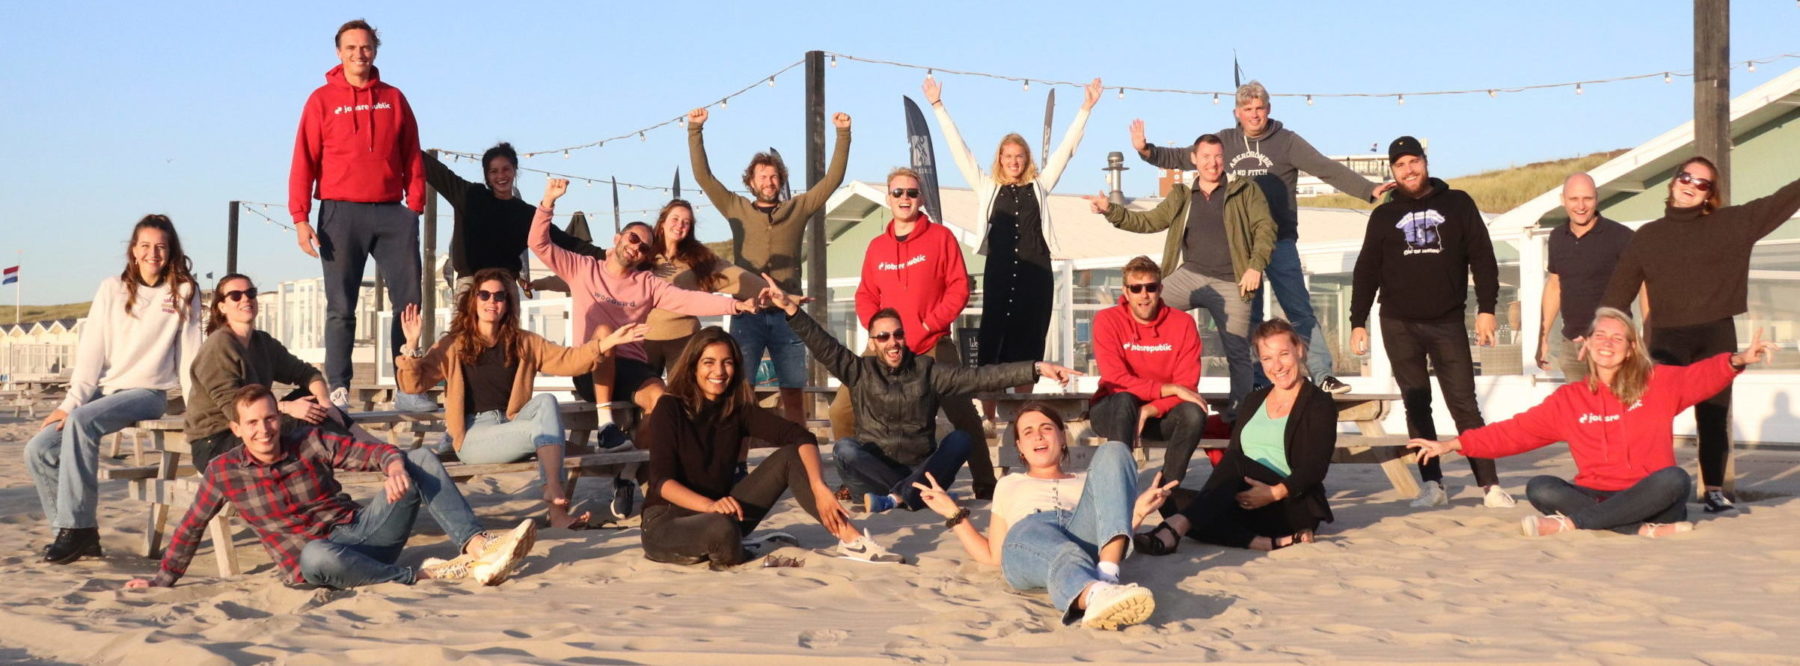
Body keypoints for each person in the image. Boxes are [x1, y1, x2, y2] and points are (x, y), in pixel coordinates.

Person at [125, 385, 538, 589]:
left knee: (423, 458)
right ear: (237, 429)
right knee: (315, 550)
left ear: (278, 416)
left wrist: (393, 464)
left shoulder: (307, 440)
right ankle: (418, 578)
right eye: (252, 423)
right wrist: (163, 579)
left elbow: (370, 452)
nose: (264, 429)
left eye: (269, 418)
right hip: (316, 564)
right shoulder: (223, 471)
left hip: (363, 535)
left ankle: (478, 546)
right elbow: (192, 525)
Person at [1409, 308, 1777, 537]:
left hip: (1653, 495)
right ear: (1586, 345)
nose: (1608, 342)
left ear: (1631, 348)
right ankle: (1640, 530)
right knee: (1540, 486)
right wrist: (1453, 445)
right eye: (1601, 334)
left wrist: (1737, 359)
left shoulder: (1657, 383)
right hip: (1596, 493)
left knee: (1675, 479)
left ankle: (1573, 525)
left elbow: (1700, 376)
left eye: (1618, 337)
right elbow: (1515, 432)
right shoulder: (1569, 400)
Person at [1133, 81, 1393, 393]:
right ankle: (1257, 382)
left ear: (1268, 109)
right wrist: (1146, 150)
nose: (1254, 115)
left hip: (1279, 240)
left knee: (1298, 309)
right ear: (1237, 113)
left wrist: (1367, 189)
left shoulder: (1286, 142)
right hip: (1241, 250)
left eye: (1259, 108)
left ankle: (1322, 375)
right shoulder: (1224, 142)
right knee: (1250, 316)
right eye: (1247, 110)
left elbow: (1324, 167)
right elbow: (1181, 156)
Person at [764, 275, 1081, 512]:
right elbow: (822, 344)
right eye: (884, 336)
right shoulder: (859, 370)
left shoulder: (928, 370)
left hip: (921, 470)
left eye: (898, 334)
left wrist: (1036, 367)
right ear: (873, 342)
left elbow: (981, 376)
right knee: (845, 449)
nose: (893, 342)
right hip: (873, 474)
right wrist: (791, 310)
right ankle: (910, 495)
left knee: (961, 439)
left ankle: (898, 497)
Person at [1602, 157, 1800, 513]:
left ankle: (1712, 490)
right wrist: (1601, 331)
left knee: (1713, 414)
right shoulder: (1648, 235)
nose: (1691, 185)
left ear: (1710, 194)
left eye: (1702, 183)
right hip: (1666, 336)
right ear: (1674, 182)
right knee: (1651, 412)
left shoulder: (1731, 224)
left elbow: (1779, 202)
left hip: (1715, 333)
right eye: (1686, 177)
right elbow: (1619, 290)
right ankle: (1646, 486)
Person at [395, 268, 646, 528]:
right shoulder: (453, 344)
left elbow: (568, 360)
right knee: (545, 435)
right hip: (474, 436)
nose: (492, 301)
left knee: (546, 401)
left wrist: (606, 344)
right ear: (473, 301)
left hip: (513, 423)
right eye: (484, 295)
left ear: (507, 303)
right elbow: (414, 385)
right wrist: (411, 346)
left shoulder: (523, 342)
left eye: (499, 296)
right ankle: (557, 503)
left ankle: (554, 497)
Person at [639, 327, 902, 567]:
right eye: (709, 362)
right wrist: (710, 506)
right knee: (721, 530)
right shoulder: (669, 407)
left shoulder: (737, 409)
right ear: (693, 366)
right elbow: (662, 482)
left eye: (727, 362)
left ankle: (852, 540)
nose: (719, 372)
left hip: (722, 512)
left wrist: (819, 487)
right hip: (668, 521)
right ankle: (744, 548)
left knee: (791, 456)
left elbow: (800, 436)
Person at [26, 214, 203, 565]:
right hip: (104, 391)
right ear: (133, 251)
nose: (153, 253)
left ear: (171, 252)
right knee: (39, 449)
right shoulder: (111, 288)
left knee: (81, 423)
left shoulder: (184, 290)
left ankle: (76, 529)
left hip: (147, 394)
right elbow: (92, 350)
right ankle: (79, 534)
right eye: (145, 246)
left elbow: (189, 356)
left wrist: (197, 406)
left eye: (161, 247)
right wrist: (70, 402)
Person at [1348, 136, 1510, 509]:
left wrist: (1487, 308)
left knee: (1464, 404)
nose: (1409, 169)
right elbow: (1366, 270)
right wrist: (1358, 321)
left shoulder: (1458, 203)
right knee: (1416, 403)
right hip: (1398, 322)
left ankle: (1490, 485)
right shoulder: (1383, 215)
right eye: (1400, 164)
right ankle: (1433, 485)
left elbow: (1483, 257)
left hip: (1447, 320)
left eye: (1414, 161)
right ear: (1392, 171)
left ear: (1425, 162)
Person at [912, 405, 1178, 630]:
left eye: (1046, 428)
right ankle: (1096, 591)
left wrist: (1139, 512)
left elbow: (1108, 531)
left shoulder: (1089, 481)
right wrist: (953, 514)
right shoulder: (1009, 483)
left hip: (1082, 537)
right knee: (1042, 536)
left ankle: (1104, 580)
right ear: (1020, 447)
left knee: (1116, 450)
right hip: (1029, 544)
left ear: (1062, 437)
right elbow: (993, 556)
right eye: (1028, 432)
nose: (1038, 436)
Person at [922, 76, 1101, 403]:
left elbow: (1066, 150)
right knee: (992, 345)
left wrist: (1085, 109)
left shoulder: (1040, 185)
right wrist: (938, 106)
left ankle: (1023, 413)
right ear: (1000, 159)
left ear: (1026, 159)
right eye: (1008, 156)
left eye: (1019, 156)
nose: (1014, 162)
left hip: (1036, 277)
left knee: (1028, 347)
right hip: (1001, 274)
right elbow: (960, 151)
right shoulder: (987, 187)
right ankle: (989, 419)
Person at [287, 19, 432, 412]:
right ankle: (338, 387)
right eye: (351, 48)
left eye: (366, 47)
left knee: (410, 303)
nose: (359, 54)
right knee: (341, 305)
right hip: (339, 212)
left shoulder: (394, 98)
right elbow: (304, 158)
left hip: (391, 213)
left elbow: (412, 153)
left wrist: (413, 207)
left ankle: (407, 385)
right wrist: (300, 217)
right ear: (338, 52)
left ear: (375, 50)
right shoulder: (321, 100)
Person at [528, 178, 757, 424]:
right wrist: (548, 201)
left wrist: (735, 305)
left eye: (644, 248)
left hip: (633, 369)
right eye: (633, 239)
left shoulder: (647, 283)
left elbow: (688, 300)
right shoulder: (583, 268)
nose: (636, 248)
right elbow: (538, 243)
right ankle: (606, 425)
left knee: (663, 402)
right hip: (590, 368)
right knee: (605, 332)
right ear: (618, 238)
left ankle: (646, 455)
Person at [1087, 134, 1275, 420]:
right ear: (1194, 160)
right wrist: (1110, 210)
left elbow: (1265, 228)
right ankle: (1129, 392)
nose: (1213, 163)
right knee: (1141, 306)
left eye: (1218, 157)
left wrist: (1255, 266)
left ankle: (1238, 417)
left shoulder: (1244, 190)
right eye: (1206, 157)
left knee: (1238, 351)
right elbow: (1148, 221)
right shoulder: (1182, 195)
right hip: (1189, 274)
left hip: (1232, 280)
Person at [835, 168, 995, 498]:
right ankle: (853, 481)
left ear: (920, 198)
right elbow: (865, 293)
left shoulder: (941, 238)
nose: (904, 198)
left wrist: (927, 325)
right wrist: (875, 330)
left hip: (932, 342)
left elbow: (958, 288)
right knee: (840, 409)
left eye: (911, 192)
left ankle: (985, 482)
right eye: (897, 193)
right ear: (888, 198)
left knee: (962, 411)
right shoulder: (877, 247)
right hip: (884, 345)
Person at [687, 106, 851, 425]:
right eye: (762, 175)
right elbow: (703, 177)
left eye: (774, 175)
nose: (769, 180)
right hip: (747, 313)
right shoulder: (736, 209)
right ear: (751, 181)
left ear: (781, 180)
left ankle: (800, 461)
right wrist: (695, 131)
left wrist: (843, 135)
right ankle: (737, 462)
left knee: (792, 392)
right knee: (740, 391)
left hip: (788, 315)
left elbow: (833, 180)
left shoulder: (797, 209)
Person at [1133, 319, 1338, 554]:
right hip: (1246, 498)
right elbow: (1237, 450)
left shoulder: (1319, 403)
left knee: (1229, 467)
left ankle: (1174, 529)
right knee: (1170, 498)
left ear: (1299, 351)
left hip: (1289, 503)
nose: (1277, 366)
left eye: (1284, 354)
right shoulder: (1254, 401)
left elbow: (1315, 467)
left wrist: (1273, 493)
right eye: (1267, 358)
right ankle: (1259, 542)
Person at [187, 273, 340, 468]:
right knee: (304, 423)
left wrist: (326, 403)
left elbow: (308, 374)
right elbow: (235, 410)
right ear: (222, 306)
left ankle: (363, 451)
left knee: (313, 401)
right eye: (235, 295)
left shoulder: (263, 342)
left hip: (256, 427)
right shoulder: (219, 345)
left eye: (250, 293)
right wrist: (287, 408)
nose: (245, 299)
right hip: (216, 442)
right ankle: (360, 453)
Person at [1085, 256, 1210, 483]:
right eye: (1136, 288)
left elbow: (1187, 387)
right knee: (1124, 399)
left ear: (1160, 289)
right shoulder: (1107, 319)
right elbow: (1116, 379)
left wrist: (1150, 409)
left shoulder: (1183, 323)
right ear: (1125, 291)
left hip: (1157, 416)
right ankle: (1119, 486)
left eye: (1151, 288)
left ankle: (1166, 489)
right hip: (1113, 410)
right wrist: (1168, 388)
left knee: (1194, 413)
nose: (1144, 295)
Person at [423, 142, 595, 293]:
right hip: (471, 284)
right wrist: (402, 137)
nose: (501, 176)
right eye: (494, 171)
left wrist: (605, 255)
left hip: (505, 286)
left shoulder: (526, 214)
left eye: (506, 169)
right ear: (487, 176)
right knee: (466, 331)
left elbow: (565, 241)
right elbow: (436, 171)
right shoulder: (470, 196)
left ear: (514, 170)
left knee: (507, 332)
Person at [644, 199, 766, 375]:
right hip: (645, 337)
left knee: (686, 395)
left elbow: (737, 277)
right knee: (642, 393)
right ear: (662, 222)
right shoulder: (644, 254)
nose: (680, 225)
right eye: (675, 219)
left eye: (686, 222)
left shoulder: (699, 258)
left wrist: (784, 297)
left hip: (684, 337)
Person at [1537, 173, 1637, 381]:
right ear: (1563, 200)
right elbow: (1555, 286)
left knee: (1615, 410)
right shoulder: (1557, 238)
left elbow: (1643, 286)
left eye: (1587, 199)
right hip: (1572, 346)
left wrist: (1642, 339)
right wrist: (1543, 338)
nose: (1581, 206)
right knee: (1579, 413)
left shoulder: (1621, 236)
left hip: (1610, 347)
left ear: (1596, 199)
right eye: (1574, 199)